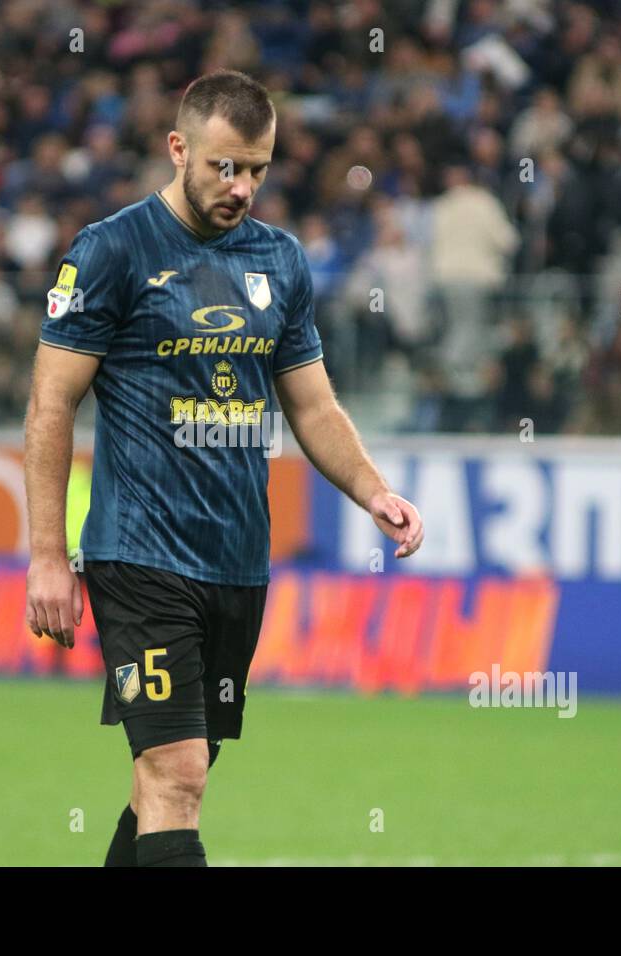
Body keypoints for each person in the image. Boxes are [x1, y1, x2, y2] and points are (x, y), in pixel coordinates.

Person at [22, 70, 424, 867]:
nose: (241, 186)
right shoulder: (112, 250)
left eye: (258, 169)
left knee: (166, 783)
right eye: (224, 167)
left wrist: (372, 489)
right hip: (138, 557)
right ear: (179, 150)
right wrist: (44, 556)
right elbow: (50, 405)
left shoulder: (279, 260)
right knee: (178, 774)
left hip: (237, 561)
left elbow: (311, 407)